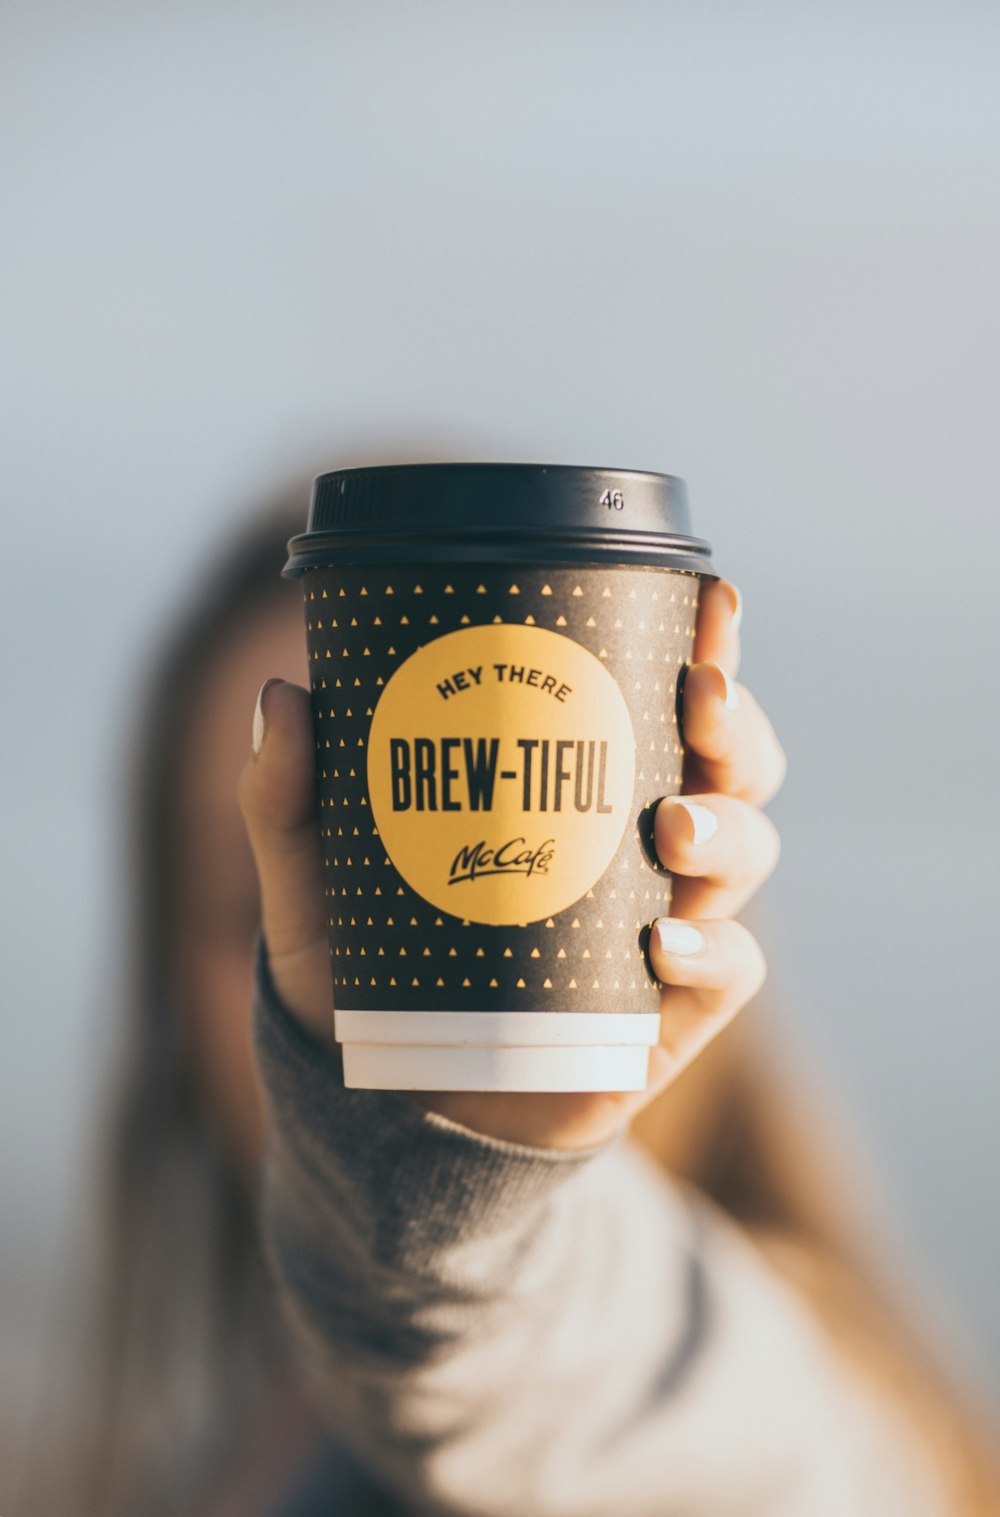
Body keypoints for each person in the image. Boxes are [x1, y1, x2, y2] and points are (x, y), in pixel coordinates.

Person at [24, 492, 1000, 1516]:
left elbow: (562, 1355)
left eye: (458, 838)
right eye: (269, 900)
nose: (348, 966)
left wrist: (452, 1195)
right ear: (170, 972)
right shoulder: (215, 1444)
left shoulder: (771, 1401)